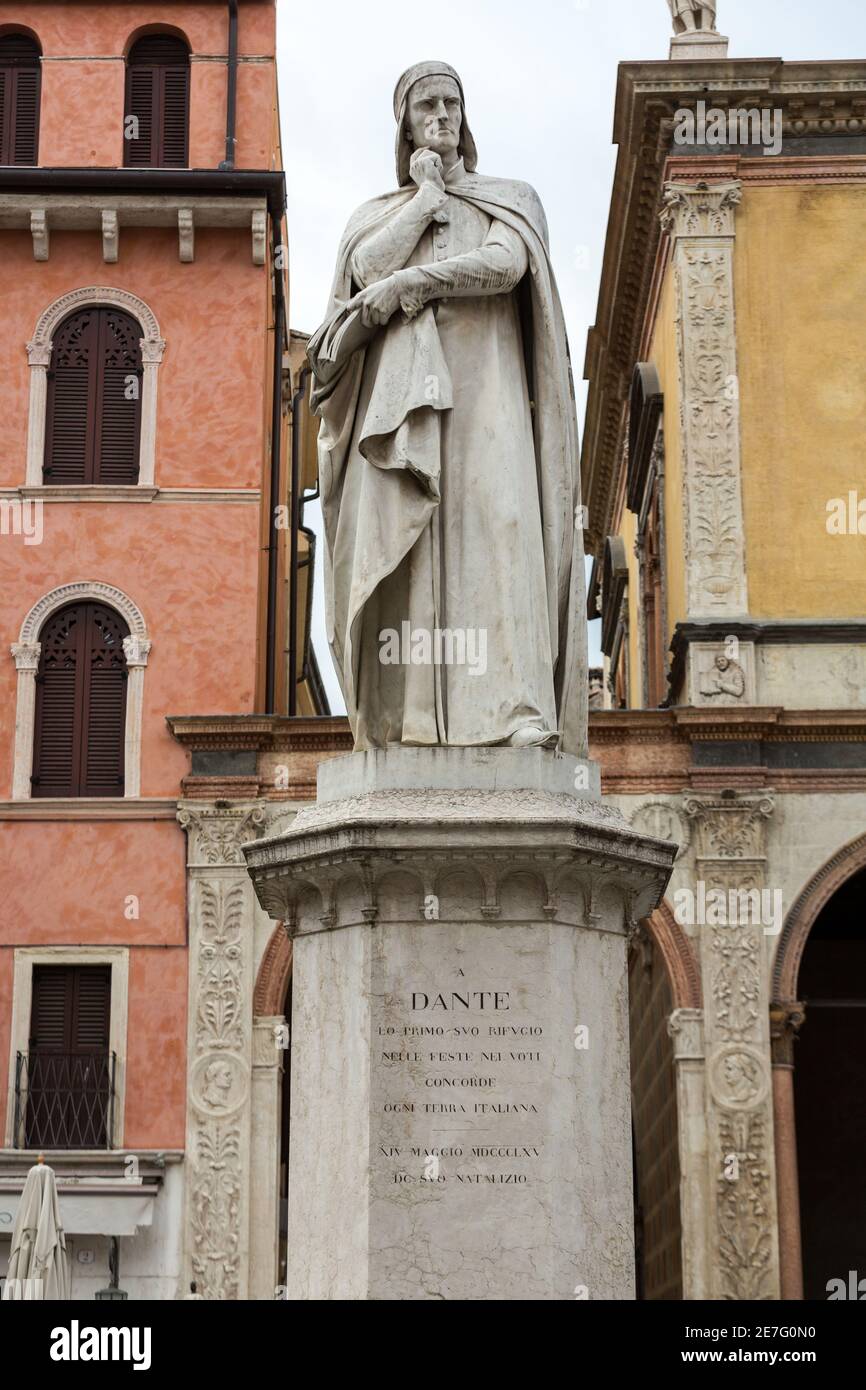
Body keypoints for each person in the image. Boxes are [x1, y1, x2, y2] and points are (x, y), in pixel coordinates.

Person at [308, 62, 587, 753]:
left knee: (504, 530)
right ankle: (415, 721)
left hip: (489, 395)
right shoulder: (377, 215)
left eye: (452, 102)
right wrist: (424, 199)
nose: (443, 114)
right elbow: (365, 273)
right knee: (414, 544)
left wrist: (413, 284)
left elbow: (505, 267)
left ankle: (518, 709)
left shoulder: (509, 198)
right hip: (404, 405)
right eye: (427, 104)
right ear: (404, 124)